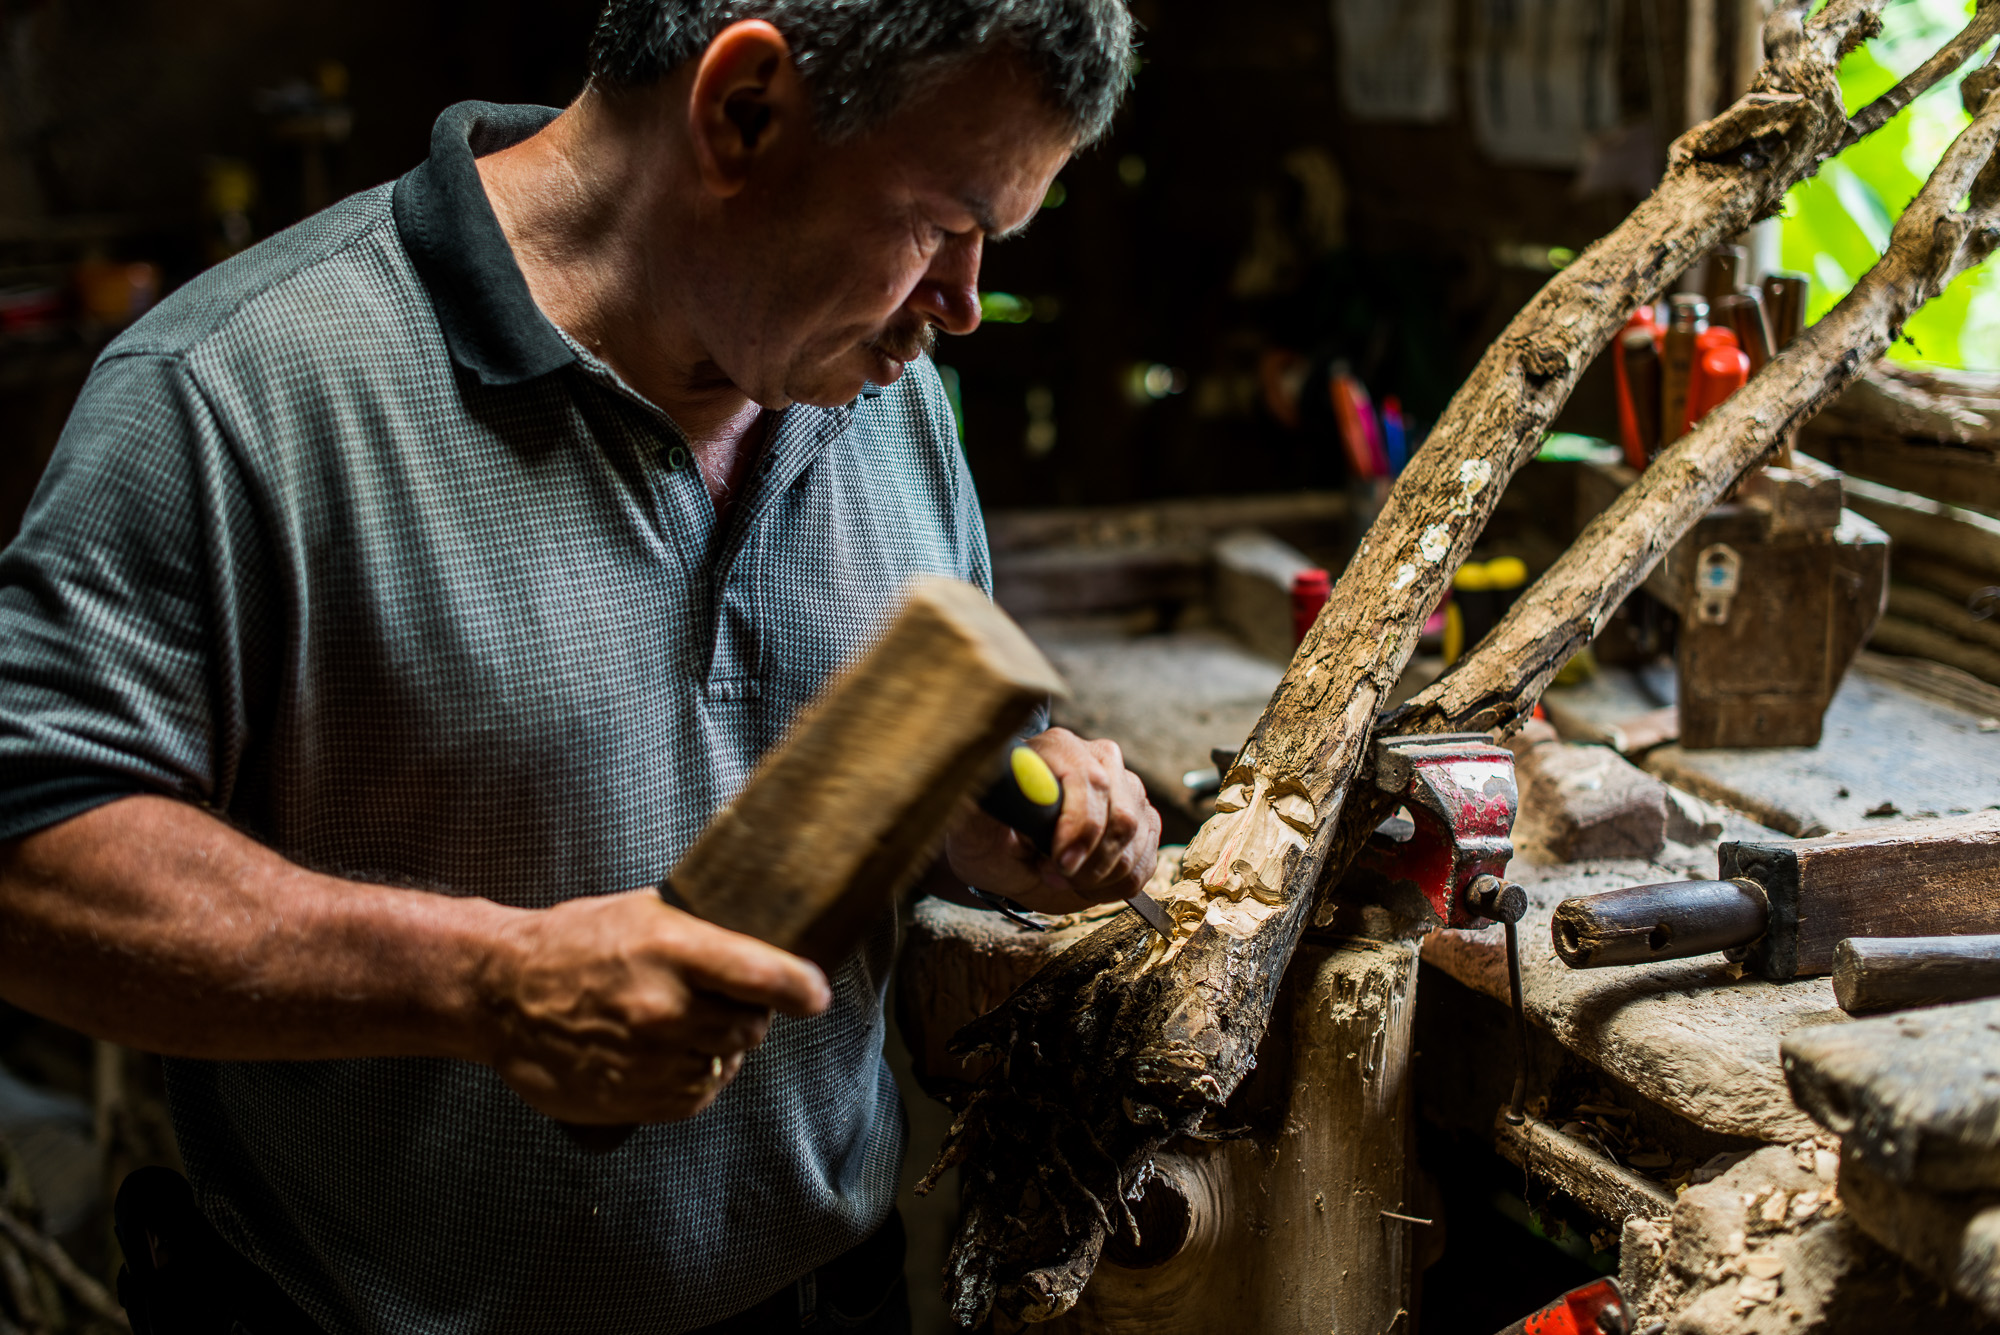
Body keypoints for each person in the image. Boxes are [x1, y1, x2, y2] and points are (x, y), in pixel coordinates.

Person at [0, 2, 1155, 1331]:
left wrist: (987, 813)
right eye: (944, 226)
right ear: (744, 113)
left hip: (827, 1298)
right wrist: (488, 985)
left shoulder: (873, 394)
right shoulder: (238, 392)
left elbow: (876, 738)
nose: (961, 304)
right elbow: (30, 861)